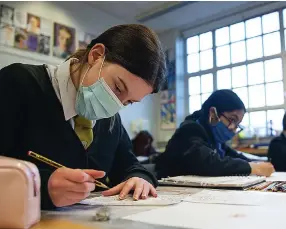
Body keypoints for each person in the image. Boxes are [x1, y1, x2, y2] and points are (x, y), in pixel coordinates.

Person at [0, 24, 166, 209]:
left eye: (128, 102)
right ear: (95, 55)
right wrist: (41, 185)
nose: (116, 104)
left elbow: (131, 166)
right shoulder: (18, 83)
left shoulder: (110, 120)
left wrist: (139, 179)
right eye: (117, 88)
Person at [155, 90, 274, 178]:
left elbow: (233, 156)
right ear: (213, 113)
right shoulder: (190, 130)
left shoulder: (215, 139)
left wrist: (258, 163)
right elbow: (208, 162)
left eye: (237, 124)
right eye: (232, 120)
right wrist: (253, 168)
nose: (233, 128)